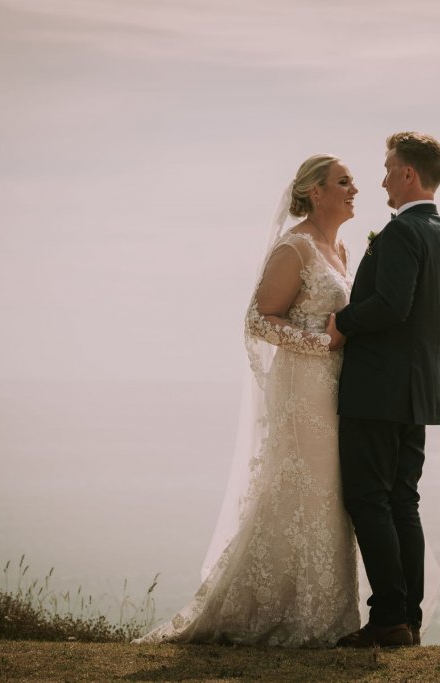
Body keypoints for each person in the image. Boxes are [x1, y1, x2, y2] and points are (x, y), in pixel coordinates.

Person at [133, 154, 362, 646]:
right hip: (303, 388)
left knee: (330, 493)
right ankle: (274, 611)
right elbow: (258, 320)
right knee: (302, 488)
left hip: (335, 391)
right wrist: (322, 343)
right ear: (315, 192)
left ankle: (326, 611)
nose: (354, 190)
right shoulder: (295, 247)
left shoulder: (340, 246)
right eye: (344, 182)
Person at [328, 132, 440, 648]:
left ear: (409, 173)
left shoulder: (402, 234)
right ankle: (406, 615)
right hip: (422, 391)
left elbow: (390, 305)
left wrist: (342, 320)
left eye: (388, 168)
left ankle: (389, 616)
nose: (382, 178)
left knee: (369, 499)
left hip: (378, 389)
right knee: (403, 501)